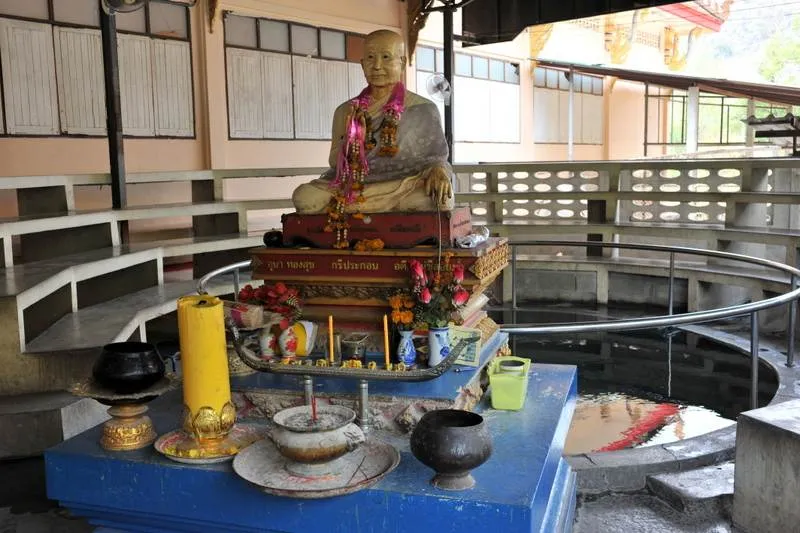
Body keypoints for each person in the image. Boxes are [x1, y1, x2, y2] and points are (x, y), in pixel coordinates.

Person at [291, 29, 454, 217]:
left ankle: (351, 208)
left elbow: (436, 159)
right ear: (362, 64)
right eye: (370, 58)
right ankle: (363, 206)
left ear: (401, 63)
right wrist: (354, 141)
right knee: (304, 197)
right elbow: (334, 162)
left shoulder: (423, 108)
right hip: (356, 185)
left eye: (386, 57)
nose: (377, 66)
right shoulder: (346, 111)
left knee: (437, 199)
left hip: (405, 184)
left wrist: (438, 170)